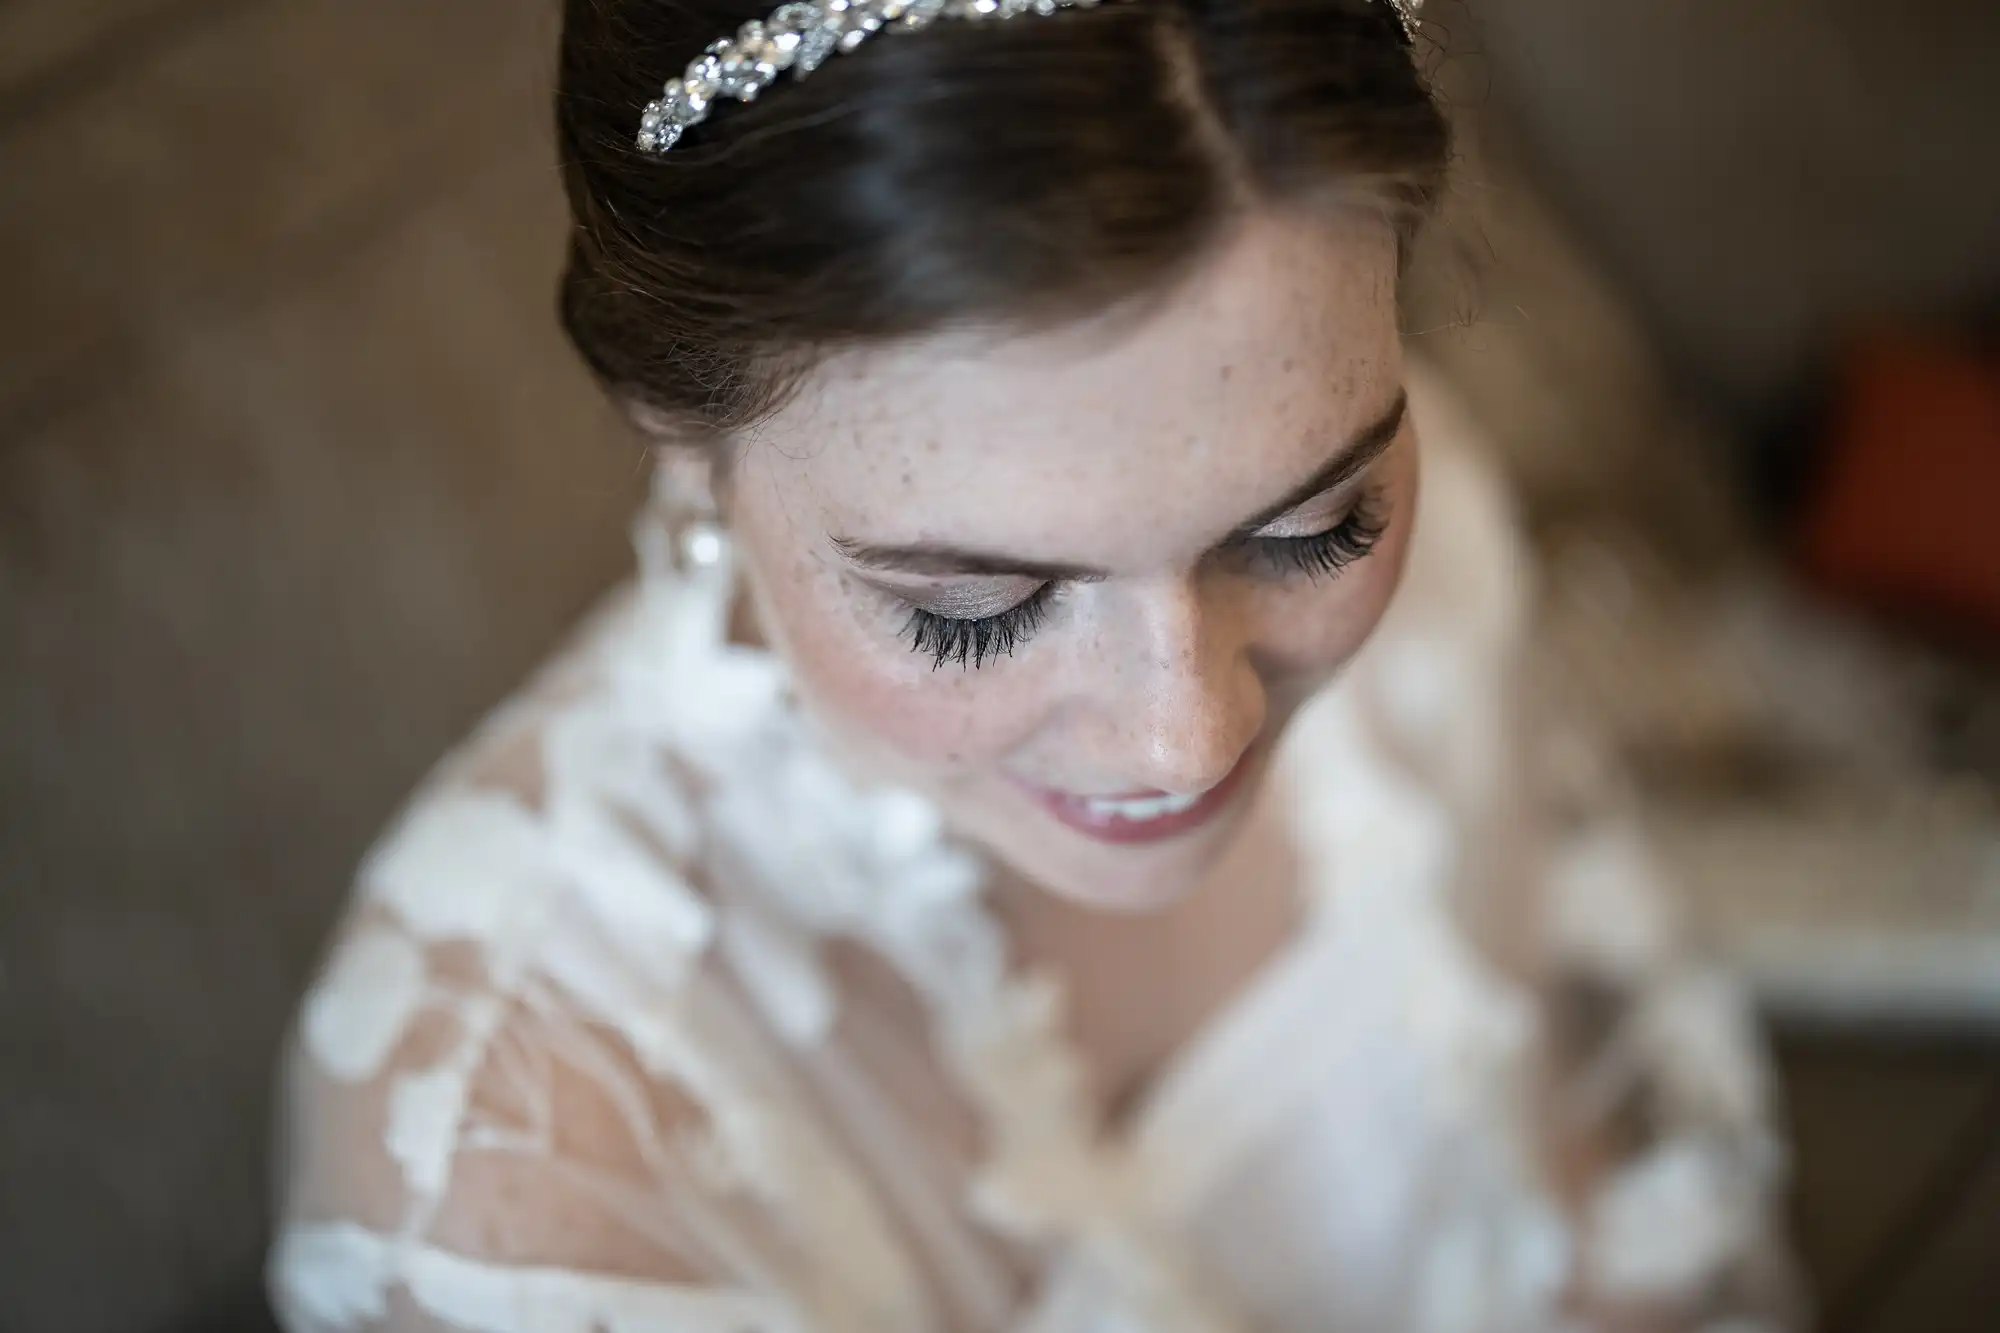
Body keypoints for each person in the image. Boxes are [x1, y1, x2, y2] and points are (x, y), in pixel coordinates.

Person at [268, 1, 1798, 1329]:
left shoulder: (1442, 525)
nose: (1185, 740)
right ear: (680, 447)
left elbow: (1598, 1203)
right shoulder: (508, 1165)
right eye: (974, 612)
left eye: (1314, 530)